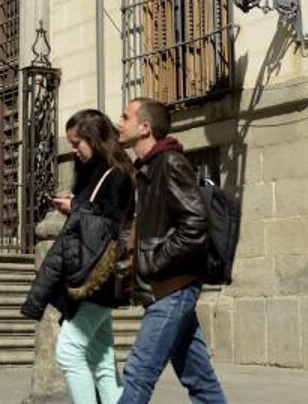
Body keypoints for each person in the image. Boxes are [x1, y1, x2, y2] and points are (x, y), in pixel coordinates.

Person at [114, 97, 226, 404]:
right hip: (166, 285)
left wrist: (153, 261)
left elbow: (195, 226)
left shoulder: (170, 163)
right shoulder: (146, 169)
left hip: (173, 286)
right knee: (199, 380)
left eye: (126, 117)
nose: (119, 122)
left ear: (144, 127)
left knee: (138, 373)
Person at [21, 109, 134, 404]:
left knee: (69, 351)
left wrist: (77, 208)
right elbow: (94, 213)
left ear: (94, 139)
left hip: (101, 274)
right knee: (102, 358)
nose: (73, 149)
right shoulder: (91, 172)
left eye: (77, 142)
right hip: (90, 273)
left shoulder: (117, 174)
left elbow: (115, 224)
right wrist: (76, 203)